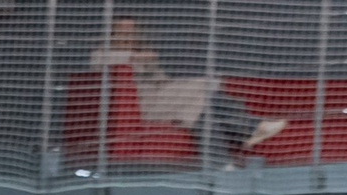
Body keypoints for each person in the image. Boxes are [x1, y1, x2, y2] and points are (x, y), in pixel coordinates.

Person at [89, 15, 285, 163]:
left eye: (131, 31)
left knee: (201, 104)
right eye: (122, 31)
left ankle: (222, 162)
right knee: (200, 91)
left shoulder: (143, 54)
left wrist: (146, 62)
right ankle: (249, 128)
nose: (127, 35)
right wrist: (138, 58)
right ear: (112, 33)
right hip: (144, 106)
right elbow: (113, 60)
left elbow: (161, 81)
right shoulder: (101, 55)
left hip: (164, 99)